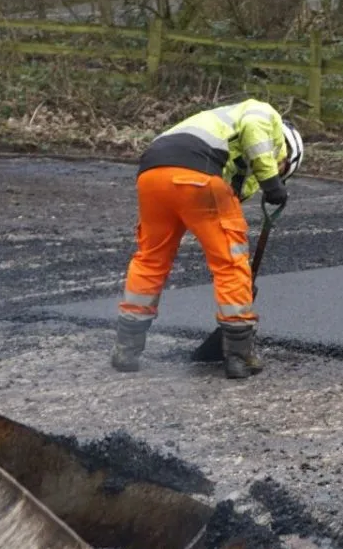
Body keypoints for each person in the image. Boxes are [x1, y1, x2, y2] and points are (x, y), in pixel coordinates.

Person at [111, 99, 304, 379]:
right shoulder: (263, 114)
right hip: (197, 173)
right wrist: (272, 182)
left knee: (150, 259)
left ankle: (126, 349)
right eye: (283, 167)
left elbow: (232, 188)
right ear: (287, 154)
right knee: (230, 261)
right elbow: (255, 131)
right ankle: (239, 354)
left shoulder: (221, 127)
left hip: (152, 173)